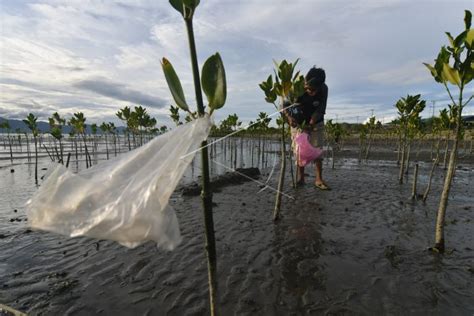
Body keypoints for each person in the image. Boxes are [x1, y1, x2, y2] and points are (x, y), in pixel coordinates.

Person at [286, 66, 330, 190]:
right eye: (309, 89)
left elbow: (321, 109)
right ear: (305, 82)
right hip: (297, 123)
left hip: (316, 123)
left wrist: (311, 123)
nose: (312, 92)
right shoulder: (295, 88)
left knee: (317, 150)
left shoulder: (324, 89)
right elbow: (284, 106)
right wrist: (290, 118)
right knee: (299, 151)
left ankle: (318, 179)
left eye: (314, 90)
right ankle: (301, 179)